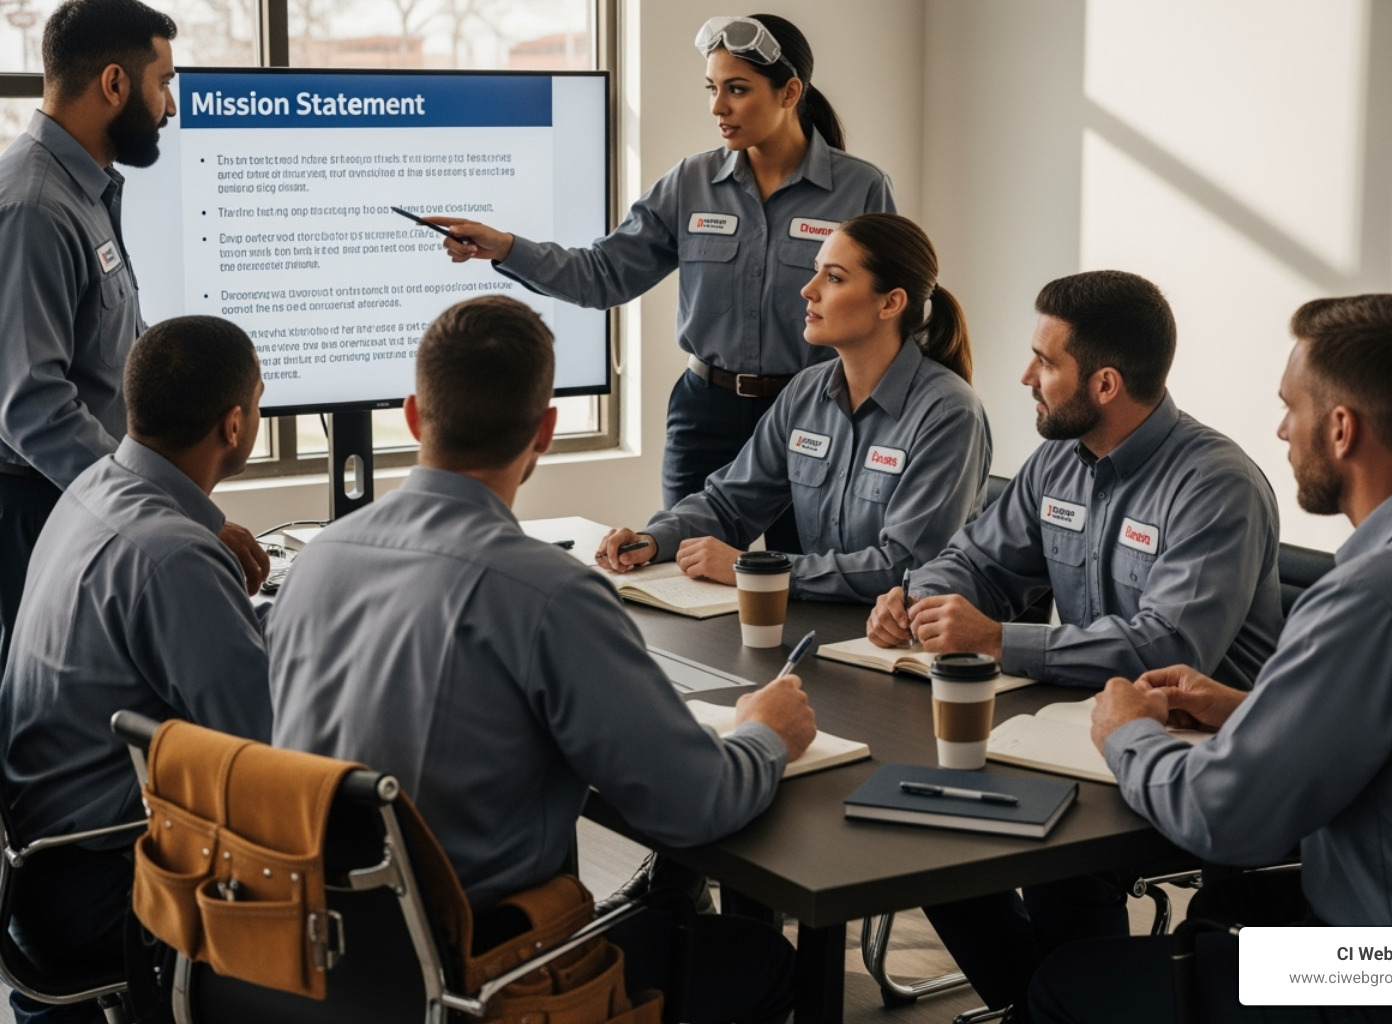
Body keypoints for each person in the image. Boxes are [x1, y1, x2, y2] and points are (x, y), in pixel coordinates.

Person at [266, 295, 818, 1024]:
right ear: (546, 432)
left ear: (414, 416)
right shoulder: (550, 594)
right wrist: (765, 733)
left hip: (313, 963)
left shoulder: (316, 560)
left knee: (659, 905)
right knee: (764, 961)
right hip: (484, 983)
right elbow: (697, 805)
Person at [1028, 294, 1392, 1023]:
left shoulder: (1373, 596)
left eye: (1290, 407)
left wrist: (1126, 732)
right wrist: (1248, 709)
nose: (1281, 429)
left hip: (1389, 980)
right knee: (1212, 918)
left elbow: (1222, 817)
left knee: (1066, 982)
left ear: (1341, 428)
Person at [866, 270, 1283, 1015]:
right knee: (925, 828)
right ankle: (1049, 1008)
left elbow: (1165, 646)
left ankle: (1065, 1005)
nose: (1026, 377)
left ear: (1105, 384)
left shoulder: (1216, 485)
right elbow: (977, 558)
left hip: (1192, 759)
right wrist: (921, 597)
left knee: (1051, 861)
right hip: (1072, 733)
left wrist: (998, 638)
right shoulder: (1060, 457)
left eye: (1045, 361)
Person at [428, 14, 896, 553]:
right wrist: (506, 247)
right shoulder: (690, 182)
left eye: (737, 89)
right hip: (706, 415)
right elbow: (602, 275)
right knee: (679, 568)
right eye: (712, 89)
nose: (718, 107)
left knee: (807, 577)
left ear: (790, 92)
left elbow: (887, 320)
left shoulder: (860, 189)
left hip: (815, 414)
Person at [0, 315, 274, 1024]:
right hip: (99, 885)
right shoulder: (174, 554)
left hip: (40, 867)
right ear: (235, 424)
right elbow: (265, 747)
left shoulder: (92, 489)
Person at [0, 0, 268, 669]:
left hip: (94, 498)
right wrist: (168, 508)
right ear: (115, 83)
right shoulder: (33, 206)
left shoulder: (83, 192)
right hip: (50, 504)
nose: (171, 106)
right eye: (164, 82)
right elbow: (31, 405)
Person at [595, 213, 990, 602]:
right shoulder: (805, 391)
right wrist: (652, 539)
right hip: (819, 617)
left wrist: (757, 569)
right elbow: (729, 504)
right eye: (817, 271)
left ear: (890, 303)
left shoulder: (949, 413)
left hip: (904, 633)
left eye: (834, 278)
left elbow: (905, 565)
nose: (808, 290)